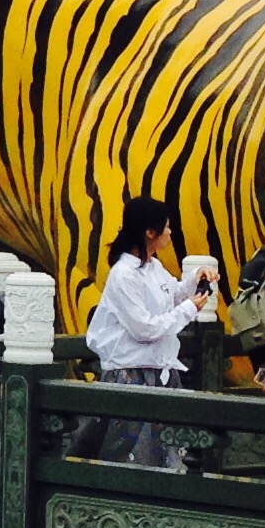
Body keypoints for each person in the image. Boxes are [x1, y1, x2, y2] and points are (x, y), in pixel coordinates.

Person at [86, 197, 215, 469]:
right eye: (166, 227)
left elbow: (174, 294)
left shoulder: (153, 266)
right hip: (130, 374)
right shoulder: (123, 274)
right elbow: (144, 329)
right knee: (131, 458)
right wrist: (189, 309)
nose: (170, 232)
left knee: (167, 456)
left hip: (160, 371)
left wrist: (195, 279)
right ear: (150, 232)